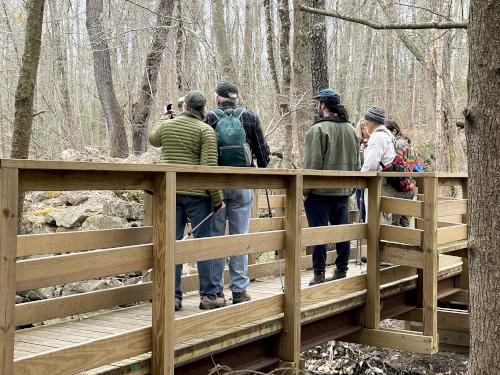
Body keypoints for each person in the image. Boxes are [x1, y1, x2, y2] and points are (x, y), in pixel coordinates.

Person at [149, 90, 226, 311]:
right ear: (202, 109)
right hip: (198, 197)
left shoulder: (166, 126)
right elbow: (208, 169)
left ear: (184, 108)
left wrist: (165, 118)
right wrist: (217, 199)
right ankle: (209, 296)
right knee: (204, 245)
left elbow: (153, 139)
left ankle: (171, 297)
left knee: (171, 244)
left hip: (170, 193)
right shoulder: (206, 131)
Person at [205, 81, 270, 304]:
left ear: (217, 98)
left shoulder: (210, 118)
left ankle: (214, 291)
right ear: (236, 98)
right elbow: (263, 153)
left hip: (217, 186)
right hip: (243, 183)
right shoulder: (249, 117)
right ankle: (239, 291)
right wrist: (261, 168)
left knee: (215, 237)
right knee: (239, 236)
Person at [303, 89, 361, 285]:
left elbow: (311, 164)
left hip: (319, 193)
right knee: (342, 231)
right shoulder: (352, 130)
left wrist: (305, 191)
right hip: (343, 191)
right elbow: (357, 162)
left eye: (318, 104)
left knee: (317, 233)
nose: (317, 107)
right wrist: (352, 187)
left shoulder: (318, 130)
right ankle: (341, 270)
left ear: (323, 105)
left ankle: (319, 274)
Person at [360, 106, 397, 224]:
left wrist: (359, 179)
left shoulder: (377, 137)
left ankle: (376, 243)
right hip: (387, 185)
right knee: (385, 220)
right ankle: (382, 242)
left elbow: (370, 165)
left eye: (367, 122)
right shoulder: (389, 136)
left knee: (375, 222)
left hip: (378, 186)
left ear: (373, 122)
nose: (365, 125)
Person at [385, 120, 418, 227]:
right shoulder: (403, 142)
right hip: (408, 183)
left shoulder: (399, 143)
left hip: (404, 185)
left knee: (396, 220)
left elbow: (398, 164)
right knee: (403, 218)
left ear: (394, 131)